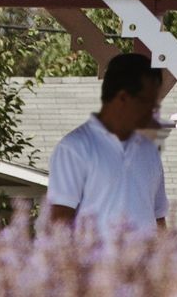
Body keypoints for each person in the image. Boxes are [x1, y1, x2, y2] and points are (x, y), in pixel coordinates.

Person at [44, 51, 169, 234]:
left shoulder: (150, 151)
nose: (153, 111)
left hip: (146, 263)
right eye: (147, 102)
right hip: (96, 263)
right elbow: (59, 223)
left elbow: (159, 220)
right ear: (123, 98)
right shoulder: (74, 148)